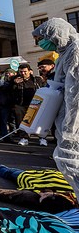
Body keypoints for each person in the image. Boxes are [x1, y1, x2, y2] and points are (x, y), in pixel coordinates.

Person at [33, 18, 79, 197]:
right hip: (66, 115)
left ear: (55, 33)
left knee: (71, 159)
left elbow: (75, 93)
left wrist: (71, 126)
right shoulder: (65, 52)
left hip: (73, 119)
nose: (42, 43)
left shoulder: (75, 50)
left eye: (43, 38)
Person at [9, 64, 44, 146]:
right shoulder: (14, 80)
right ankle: (24, 137)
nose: (23, 73)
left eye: (25, 71)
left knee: (38, 121)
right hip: (20, 104)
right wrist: (14, 83)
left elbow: (43, 89)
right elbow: (8, 89)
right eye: (21, 72)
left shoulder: (36, 80)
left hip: (35, 103)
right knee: (21, 122)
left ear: (30, 71)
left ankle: (42, 137)